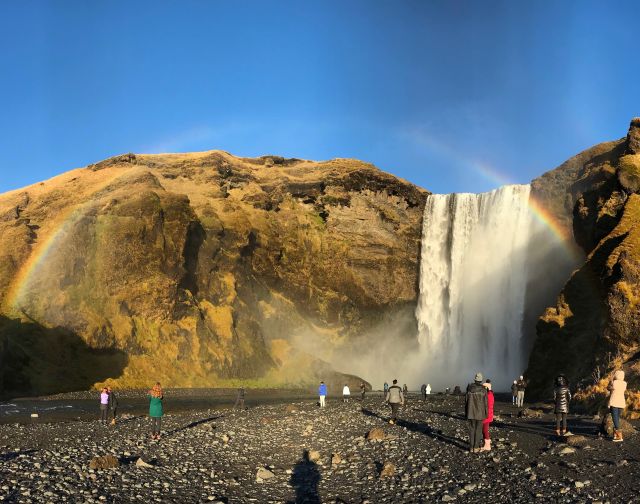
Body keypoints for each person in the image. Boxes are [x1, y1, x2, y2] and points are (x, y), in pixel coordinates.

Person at [465, 372, 488, 453]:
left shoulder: (469, 388)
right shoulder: (484, 390)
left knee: (472, 429)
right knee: (478, 430)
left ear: (475, 379)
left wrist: (466, 413)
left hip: (470, 412)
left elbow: (466, 401)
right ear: (481, 380)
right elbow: (486, 403)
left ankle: (471, 448)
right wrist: (486, 414)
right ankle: (476, 447)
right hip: (480, 413)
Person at [608, 370, 627, 442]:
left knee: (615, 418)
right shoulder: (625, 383)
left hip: (614, 402)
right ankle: (615, 435)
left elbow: (609, 388)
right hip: (621, 403)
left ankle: (619, 436)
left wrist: (611, 380)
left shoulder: (614, 382)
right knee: (617, 418)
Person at [481, 379, 494, 451]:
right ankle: (486, 443)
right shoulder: (490, 394)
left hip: (486, 415)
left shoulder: (488, 396)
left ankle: (487, 445)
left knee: (485, 430)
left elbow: (485, 405)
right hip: (488, 414)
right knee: (485, 430)